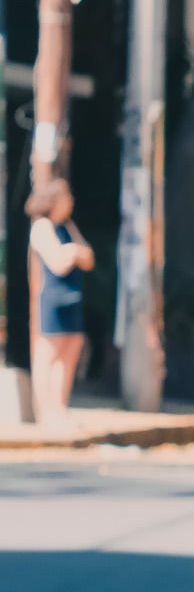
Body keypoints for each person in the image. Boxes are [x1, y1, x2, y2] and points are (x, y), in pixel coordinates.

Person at [26, 179, 94, 431]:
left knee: (70, 350)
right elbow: (59, 262)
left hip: (73, 295)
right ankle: (46, 411)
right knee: (49, 354)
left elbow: (87, 257)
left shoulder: (67, 225)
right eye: (66, 197)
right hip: (53, 297)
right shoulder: (42, 227)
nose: (71, 202)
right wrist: (74, 252)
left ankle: (60, 407)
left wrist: (74, 252)